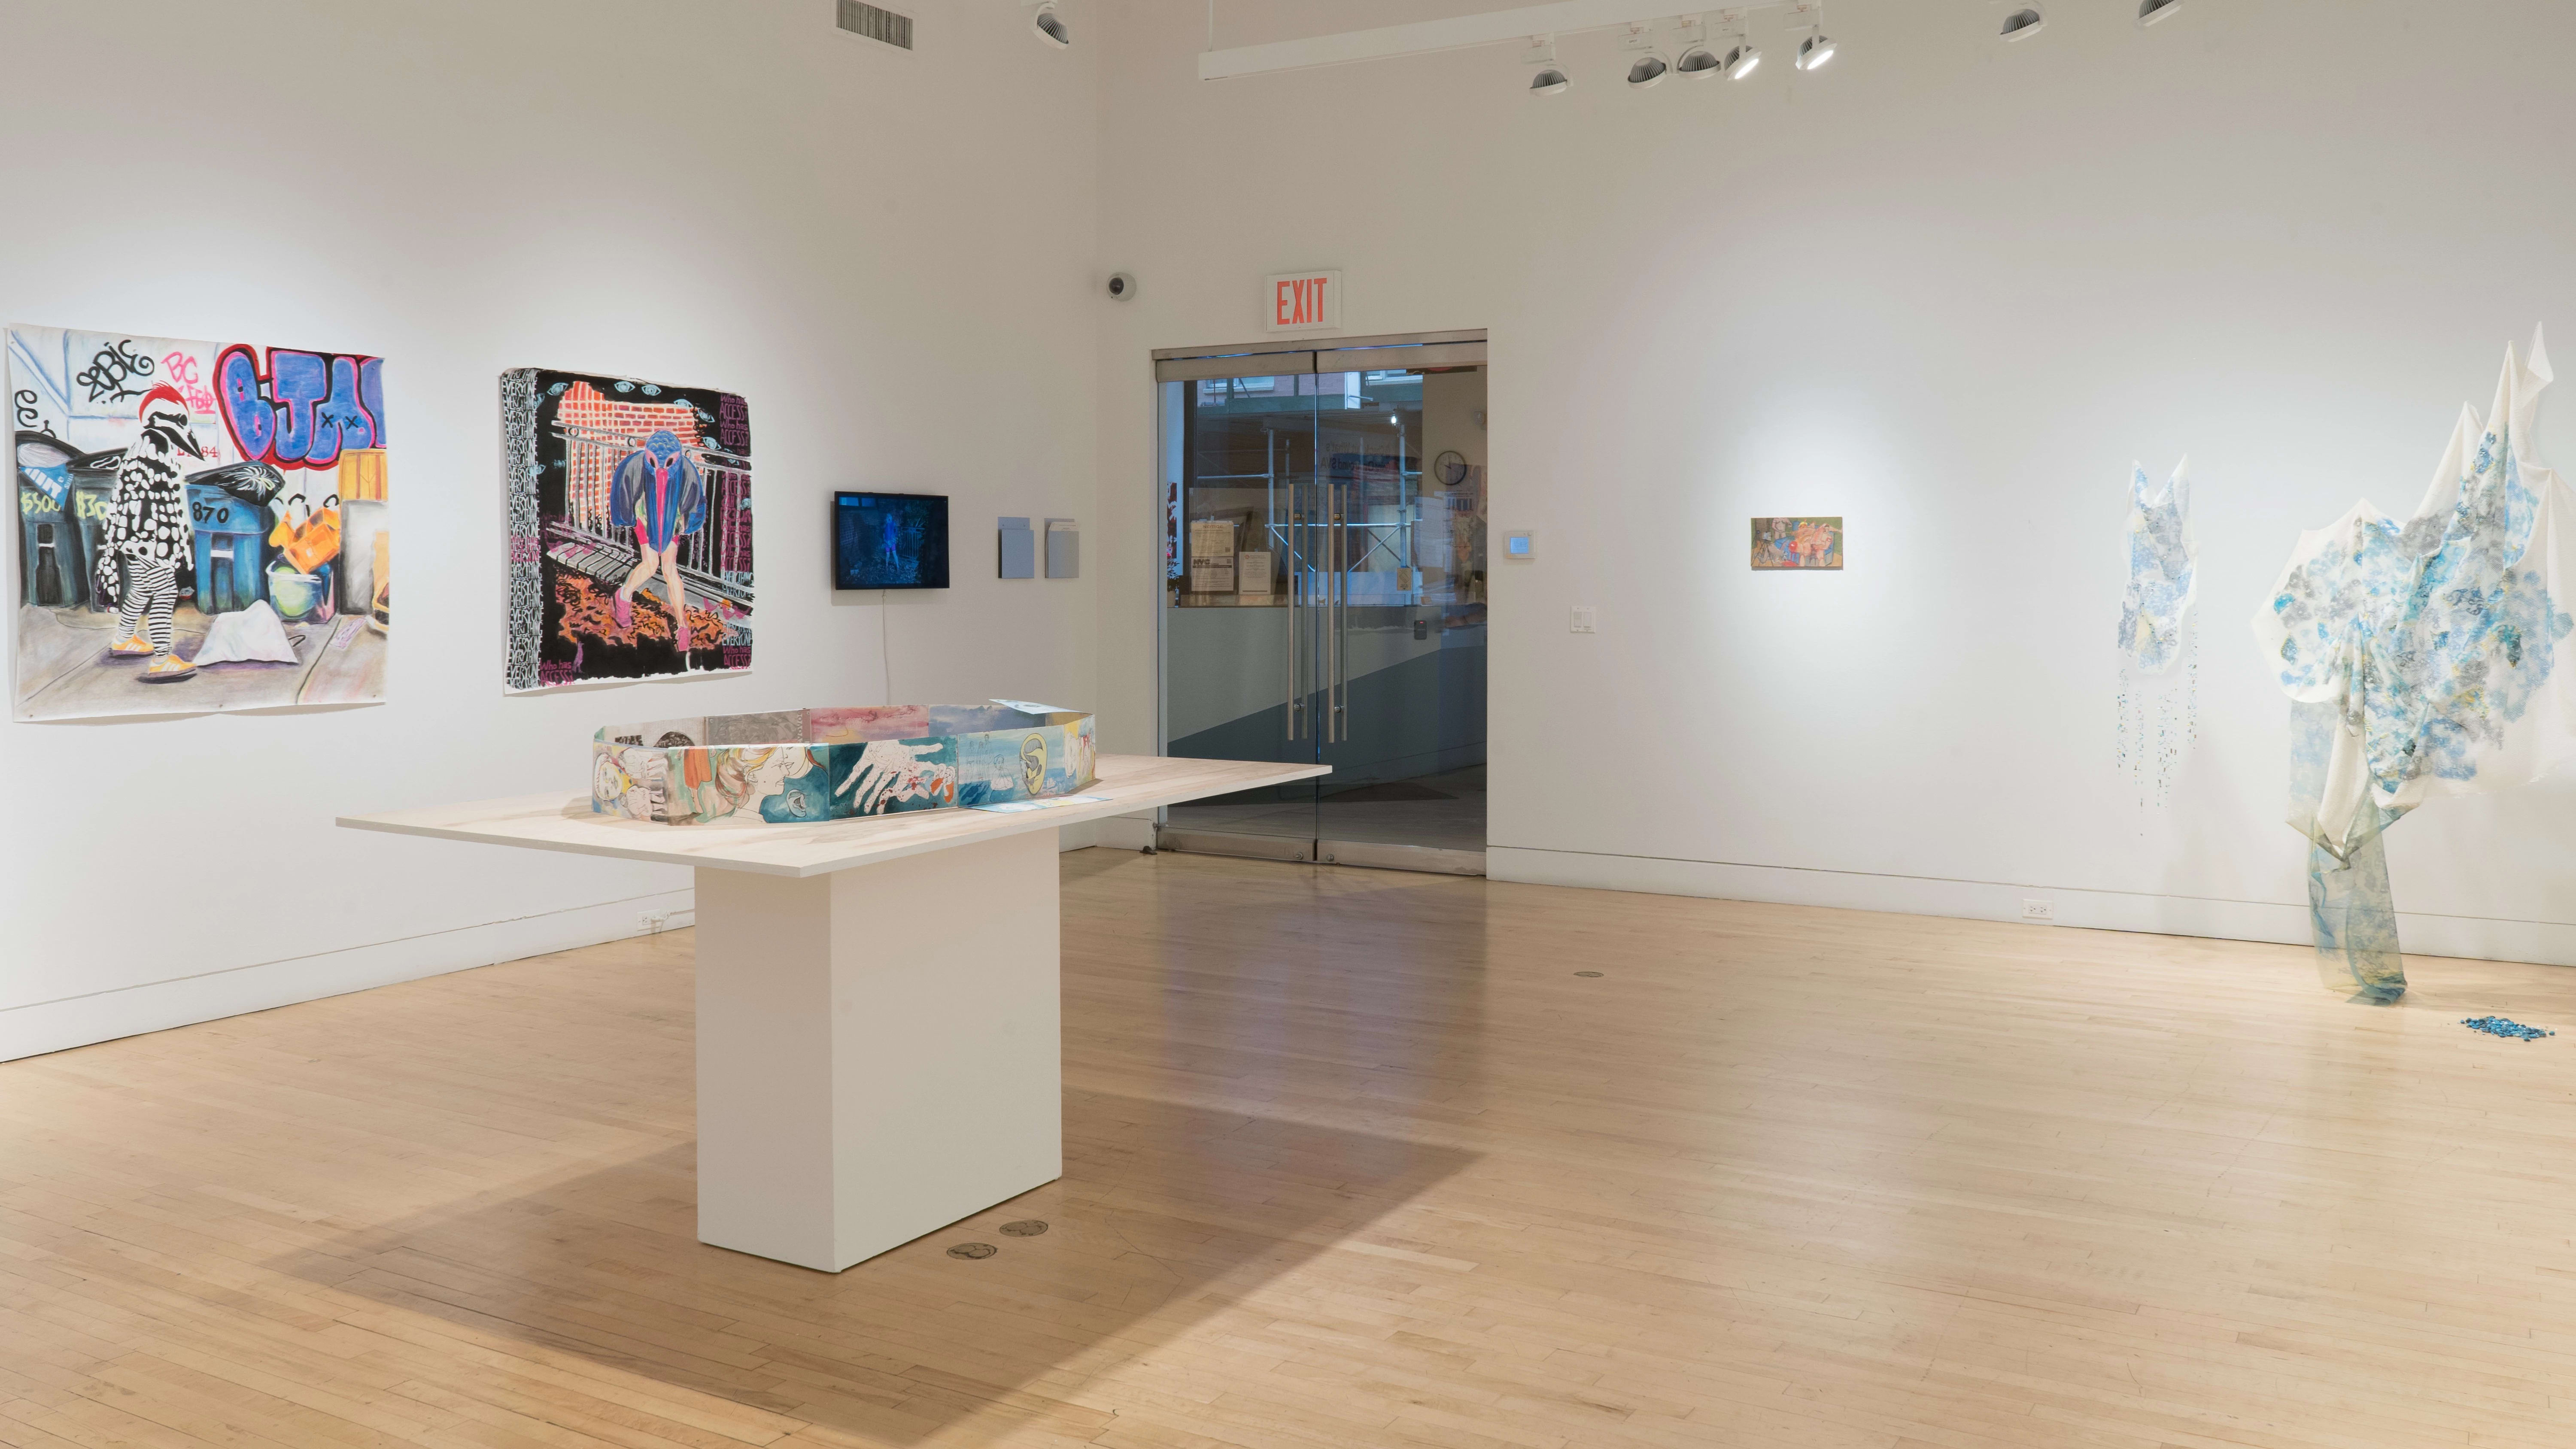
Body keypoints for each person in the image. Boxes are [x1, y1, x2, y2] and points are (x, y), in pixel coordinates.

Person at [101, 385, 205, 682]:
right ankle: (162, 658)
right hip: (150, 540)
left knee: (143, 588)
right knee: (166, 592)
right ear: (162, 417)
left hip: (134, 538)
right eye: (181, 421)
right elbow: (161, 506)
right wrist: (173, 548)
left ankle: (123, 639)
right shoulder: (157, 448)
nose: (185, 429)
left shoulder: (144, 445)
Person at [608, 429, 706, 652]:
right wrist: (633, 518)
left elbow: (695, 501)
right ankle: (623, 596)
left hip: (672, 518)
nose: (662, 469)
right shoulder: (633, 465)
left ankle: (682, 626)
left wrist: (683, 523)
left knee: (670, 569)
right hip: (645, 515)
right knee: (651, 565)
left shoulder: (687, 470)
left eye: (669, 463)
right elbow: (624, 494)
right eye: (654, 462)